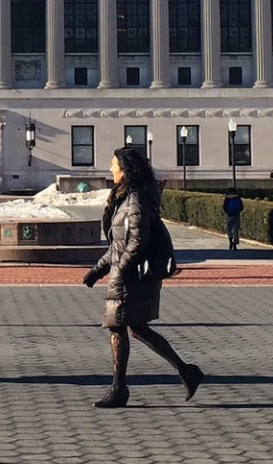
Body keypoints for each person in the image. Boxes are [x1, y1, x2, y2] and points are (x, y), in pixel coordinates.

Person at [82, 145, 203, 408]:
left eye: (114, 165)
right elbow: (117, 245)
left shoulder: (134, 201)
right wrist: (99, 269)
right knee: (135, 328)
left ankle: (119, 388)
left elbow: (137, 241)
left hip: (130, 277)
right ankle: (186, 371)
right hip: (124, 274)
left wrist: (121, 269)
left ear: (125, 170)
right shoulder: (124, 199)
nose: (110, 169)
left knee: (118, 328)